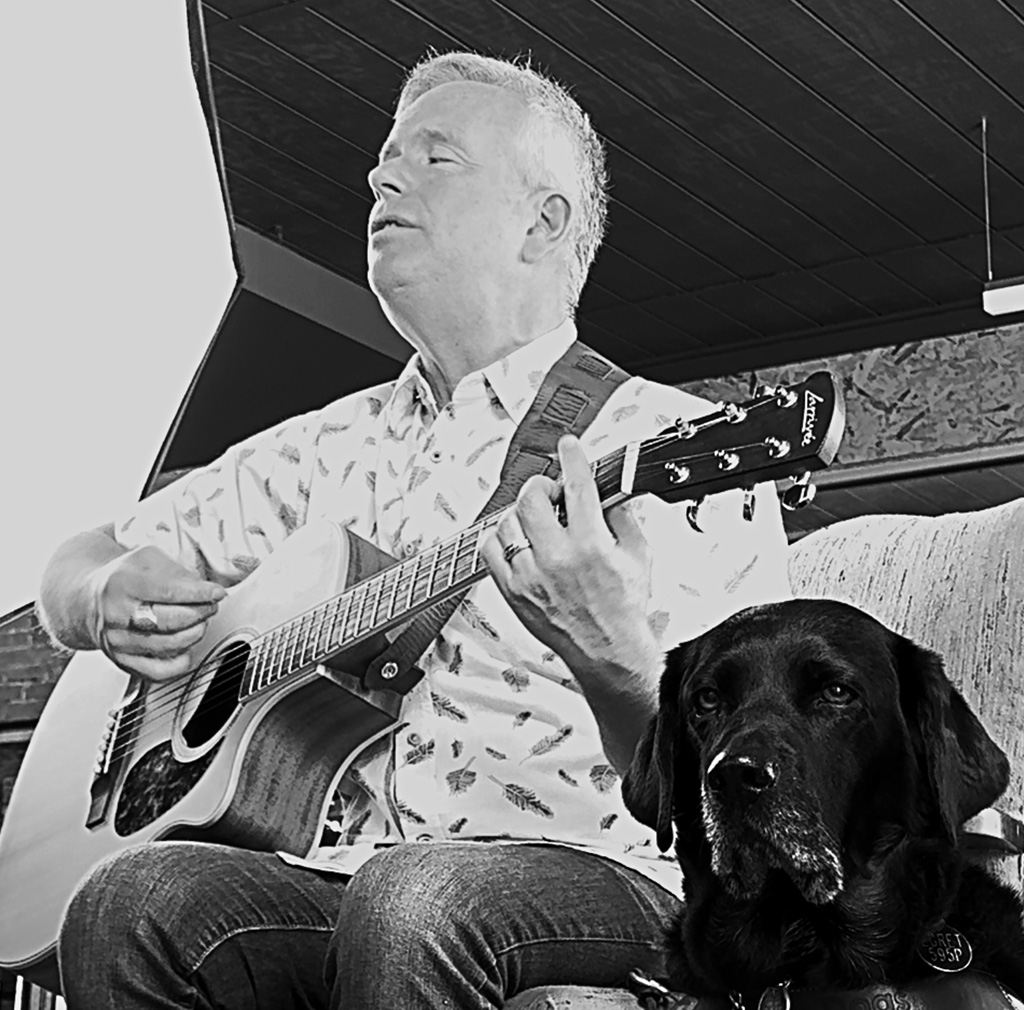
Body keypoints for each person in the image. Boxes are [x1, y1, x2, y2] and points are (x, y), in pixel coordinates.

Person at [39, 50, 791, 1009]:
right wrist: (101, 594)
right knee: (129, 899)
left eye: (435, 159)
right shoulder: (322, 449)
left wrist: (611, 653)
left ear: (543, 221)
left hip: (607, 865)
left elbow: (735, 796)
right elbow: (74, 559)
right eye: (384, 162)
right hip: (345, 871)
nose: (382, 177)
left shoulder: (668, 450)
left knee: (415, 896)